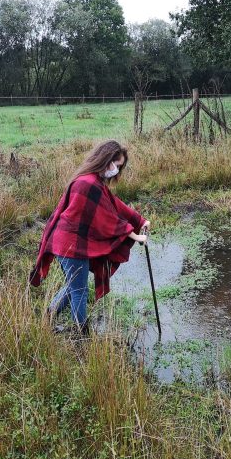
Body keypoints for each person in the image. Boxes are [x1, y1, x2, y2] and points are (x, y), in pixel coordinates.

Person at [30, 140, 150, 334]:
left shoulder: (92, 180)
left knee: (74, 284)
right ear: (106, 159)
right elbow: (109, 218)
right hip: (71, 245)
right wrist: (135, 236)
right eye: (116, 165)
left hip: (66, 243)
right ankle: (81, 333)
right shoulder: (89, 184)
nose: (116, 171)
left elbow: (115, 204)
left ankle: (49, 316)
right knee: (80, 290)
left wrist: (140, 220)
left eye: (119, 167)